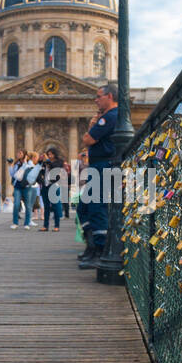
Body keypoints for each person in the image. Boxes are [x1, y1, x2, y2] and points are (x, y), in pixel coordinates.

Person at [78, 83, 119, 268]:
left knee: (96, 208)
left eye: (98, 96)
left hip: (104, 166)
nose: (95, 100)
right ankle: (92, 247)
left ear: (109, 96)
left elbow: (88, 139)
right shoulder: (109, 116)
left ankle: (101, 251)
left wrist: (91, 126)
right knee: (83, 208)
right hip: (99, 166)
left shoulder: (109, 117)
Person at [11, 152, 40, 229]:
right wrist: (10, 166)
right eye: (18, 153)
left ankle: (27, 223)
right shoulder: (17, 164)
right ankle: (15, 223)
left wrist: (26, 163)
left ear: (25, 155)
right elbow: (13, 174)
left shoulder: (30, 164)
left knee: (28, 205)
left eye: (20, 153)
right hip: (18, 186)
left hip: (27, 186)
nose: (18, 154)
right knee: (16, 204)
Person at [41, 148, 64, 232]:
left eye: (51, 154)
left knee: (55, 207)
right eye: (48, 154)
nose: (50, 156)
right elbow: (42, 172)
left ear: (55, 154)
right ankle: (45, 225)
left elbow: (55, 169)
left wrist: (47, 161)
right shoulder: (45, 163)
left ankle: (56, 226)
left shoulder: (59, 162)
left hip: (54, 185)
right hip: (45, 185)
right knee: (46, 207)